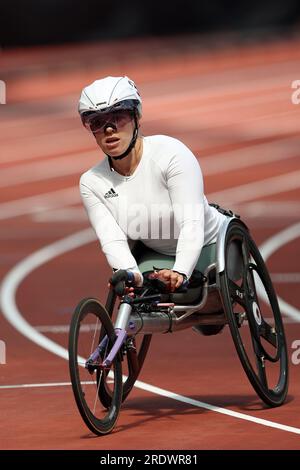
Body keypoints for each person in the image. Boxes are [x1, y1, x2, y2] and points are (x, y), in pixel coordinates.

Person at [78, 76, 227, 295]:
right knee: (137, 298)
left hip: (211, 246)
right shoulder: (91, 183)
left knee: (209, 315)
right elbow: (112, 239)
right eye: (98, 122)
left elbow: (191, 223)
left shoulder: (171, 154)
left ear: (136, 116)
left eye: (118, 117)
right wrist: (129, 275)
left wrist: (181, 272)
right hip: (158, 258)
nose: (109, 129)